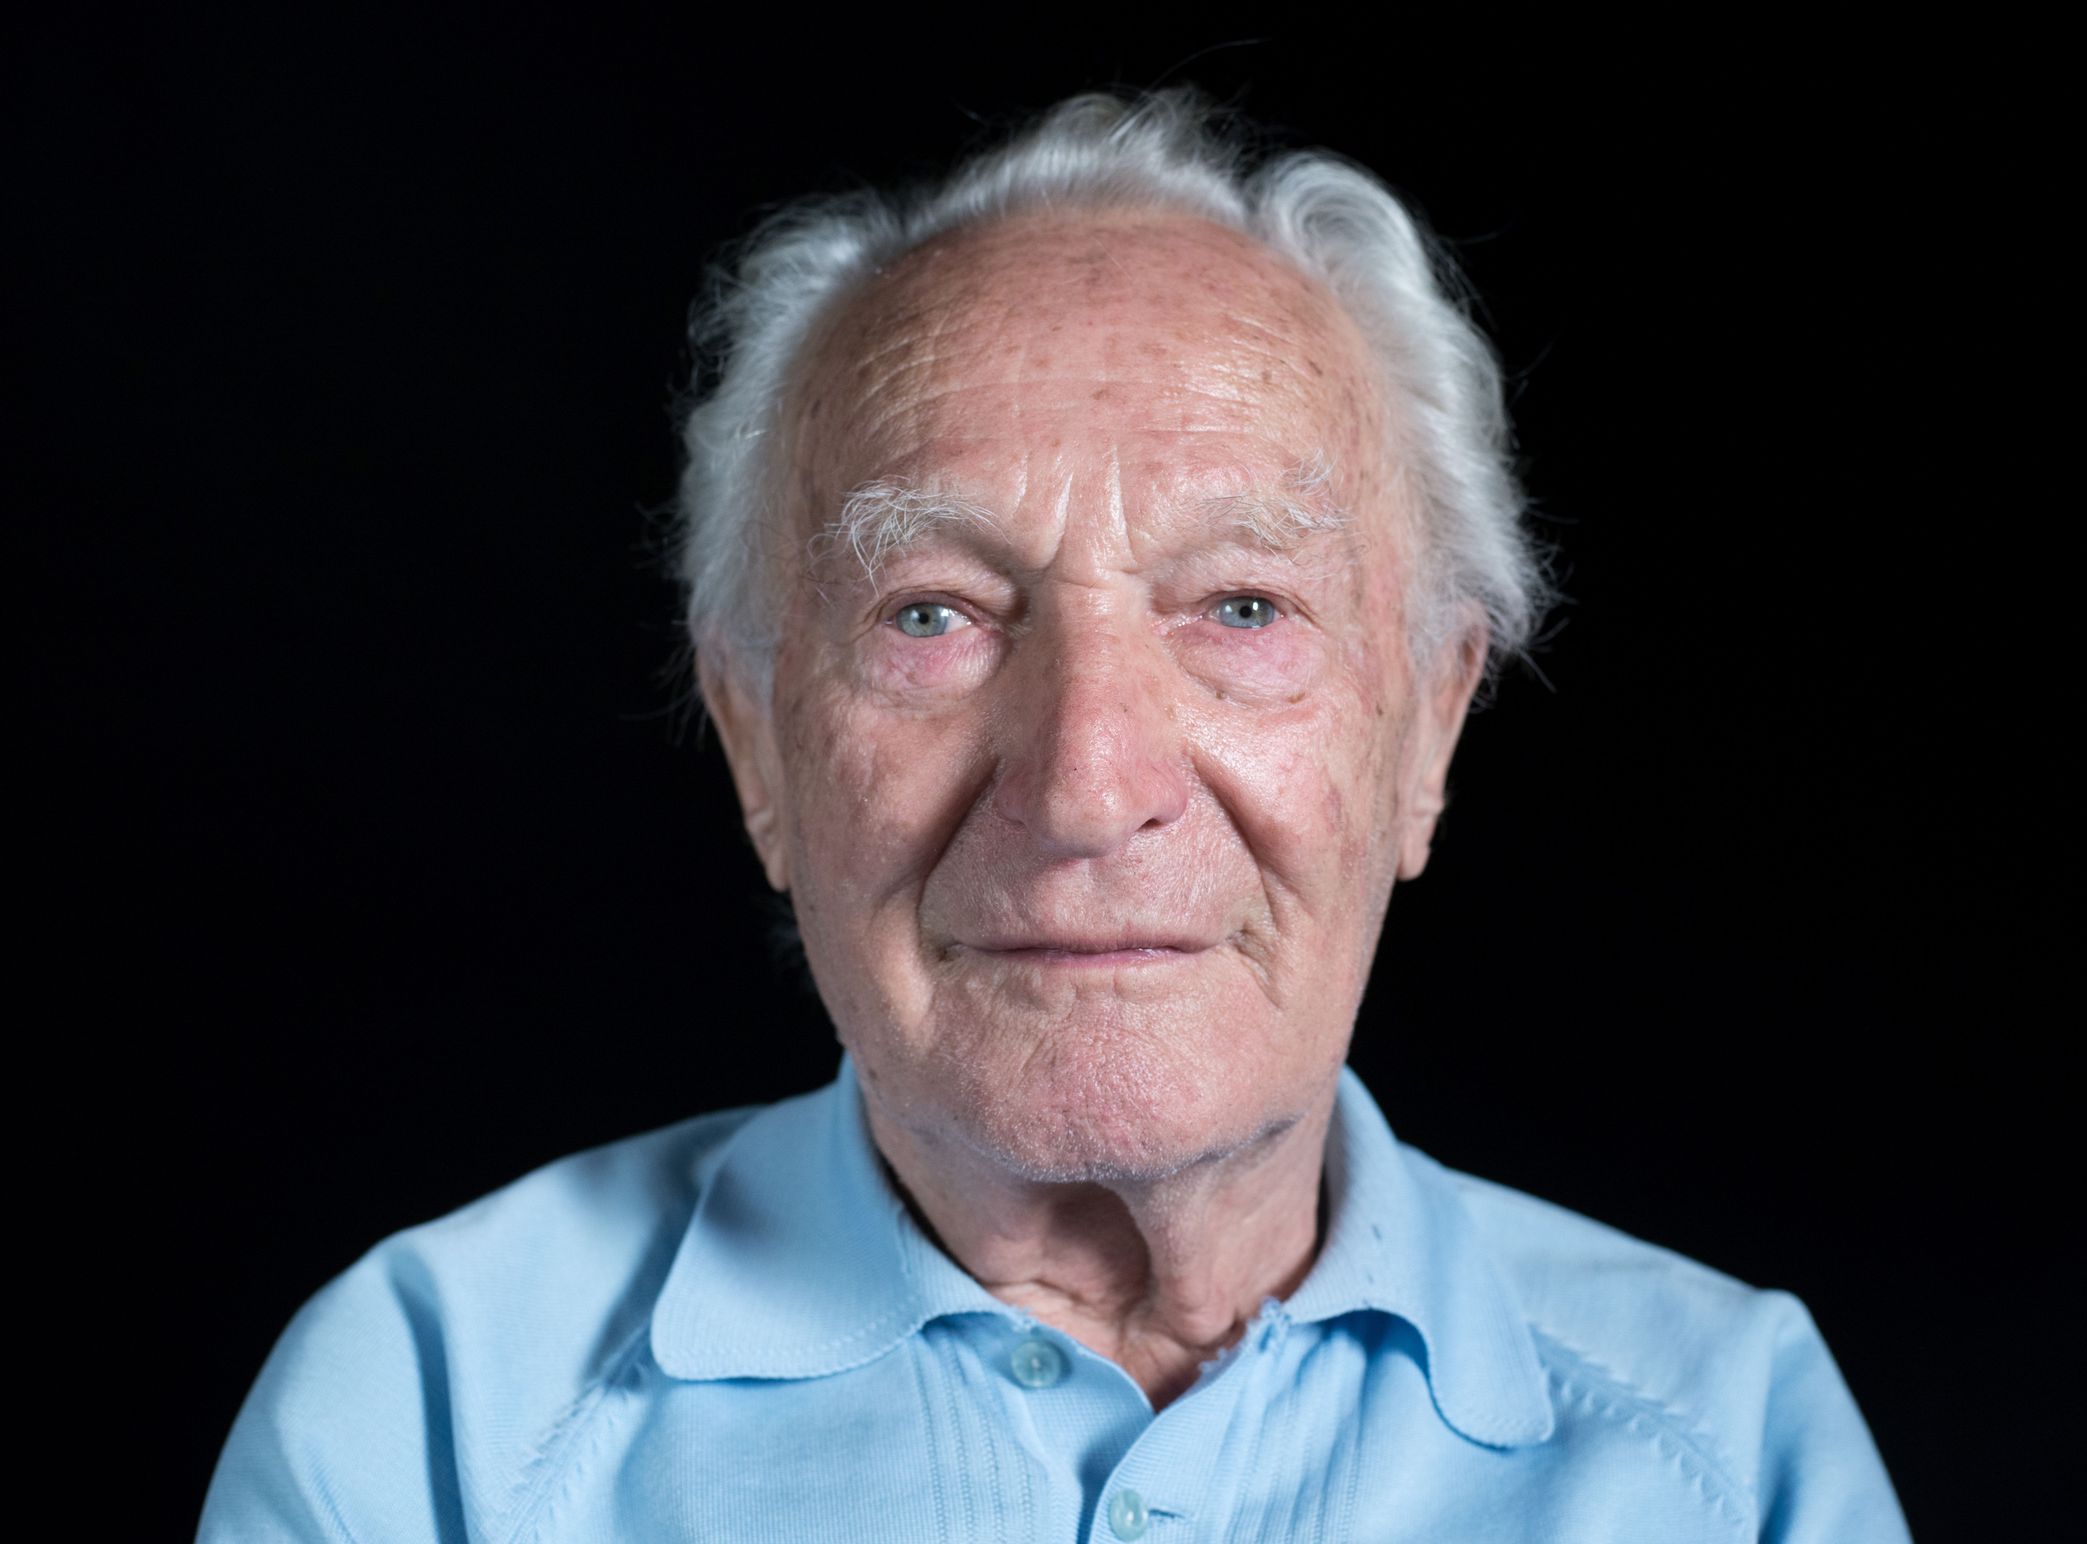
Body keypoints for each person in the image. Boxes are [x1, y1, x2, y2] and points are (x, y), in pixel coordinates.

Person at [199, 87, 1910, 1543]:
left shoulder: (1726, 1447)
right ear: (757, 741)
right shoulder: (430, 1424)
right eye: (933, 615)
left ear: (1430, 728)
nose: (1089, 788)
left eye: (1243, 607)